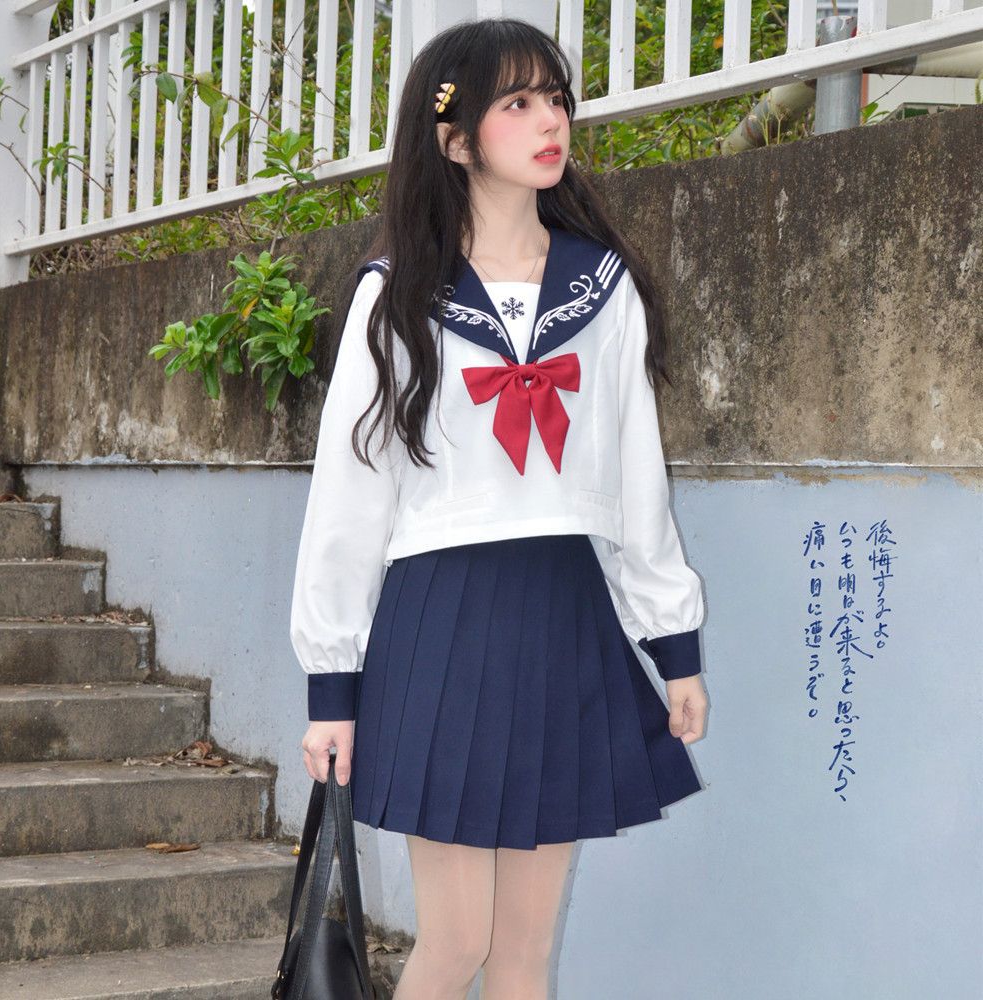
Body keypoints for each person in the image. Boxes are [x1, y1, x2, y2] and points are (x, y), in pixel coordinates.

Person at [289, 16, 709, 1000]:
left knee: (524, 950)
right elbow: (351, 496)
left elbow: (635, 481)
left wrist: (672, 638)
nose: (548, 120)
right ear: (454, 137)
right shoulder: (397, 298)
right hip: (441, 620)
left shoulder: (602, 290)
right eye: (514, 103)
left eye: (554, 97)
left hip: (565, 617)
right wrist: (330, 683)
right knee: (457, 941)